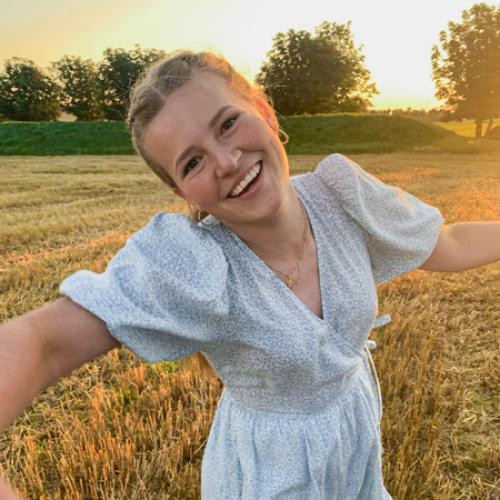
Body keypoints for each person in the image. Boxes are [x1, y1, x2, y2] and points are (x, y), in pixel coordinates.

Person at [0, 50, 498, 500]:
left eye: (227, 124)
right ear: (183, 194)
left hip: (356, 447)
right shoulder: (193, 262)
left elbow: (447, 242)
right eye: (192, 162)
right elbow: (44, 342)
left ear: (264, 110)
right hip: (268, 479)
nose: (227, 161)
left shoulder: (341, 197)